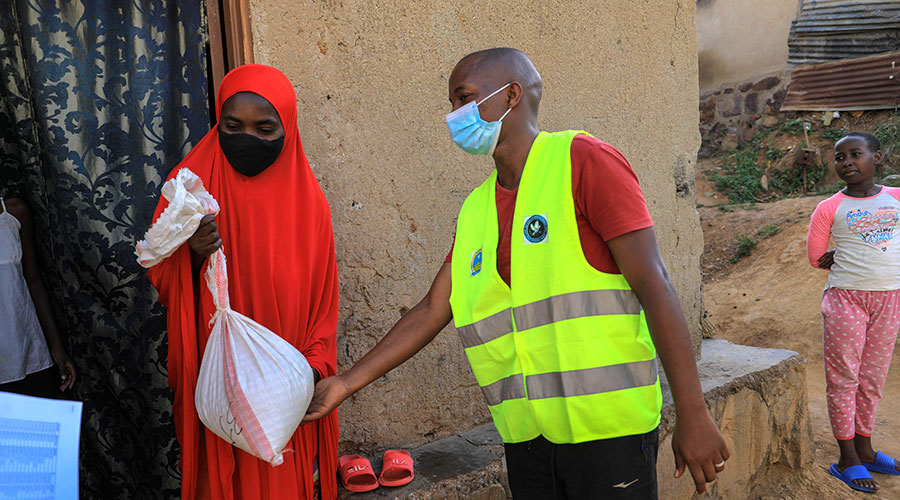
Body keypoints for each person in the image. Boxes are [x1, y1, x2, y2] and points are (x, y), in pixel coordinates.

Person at [304, 48, 728, 498]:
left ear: (510, 95)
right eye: (450, 104)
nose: (454, 115)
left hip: (609, 433)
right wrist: (347, 383)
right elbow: (433, 308)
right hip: (527, 440)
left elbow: (654, 282)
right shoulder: (476, 210)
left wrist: (693, 412)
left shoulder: (582, 160)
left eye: (463, 98)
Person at [147, 64, 339, 500]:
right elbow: (160, 276)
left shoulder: (310, 206)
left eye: (265, 128)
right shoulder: (189, 189)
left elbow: (325, 307)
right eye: (232, 125)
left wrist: (307, 372)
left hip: (284, 387)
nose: (247, 137)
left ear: (287, 127)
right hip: (217, 381)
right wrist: (189, 252)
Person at [807, 131, 900, 493]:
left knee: (873, 378)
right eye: (839, 157)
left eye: (855, 154)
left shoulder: (896, 199)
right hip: (846, 299)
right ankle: (847, 458)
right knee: (845, 378)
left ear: (876, 159)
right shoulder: (829, 207)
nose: (846, 162)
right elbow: (815, 255)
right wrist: (832, 257)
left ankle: (865, 448)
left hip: (889, 299)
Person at [0, 194, 76, 398]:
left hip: (26, 352)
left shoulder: (14, 211)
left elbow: (33, 279)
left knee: (34, 424)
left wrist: (57, 348)